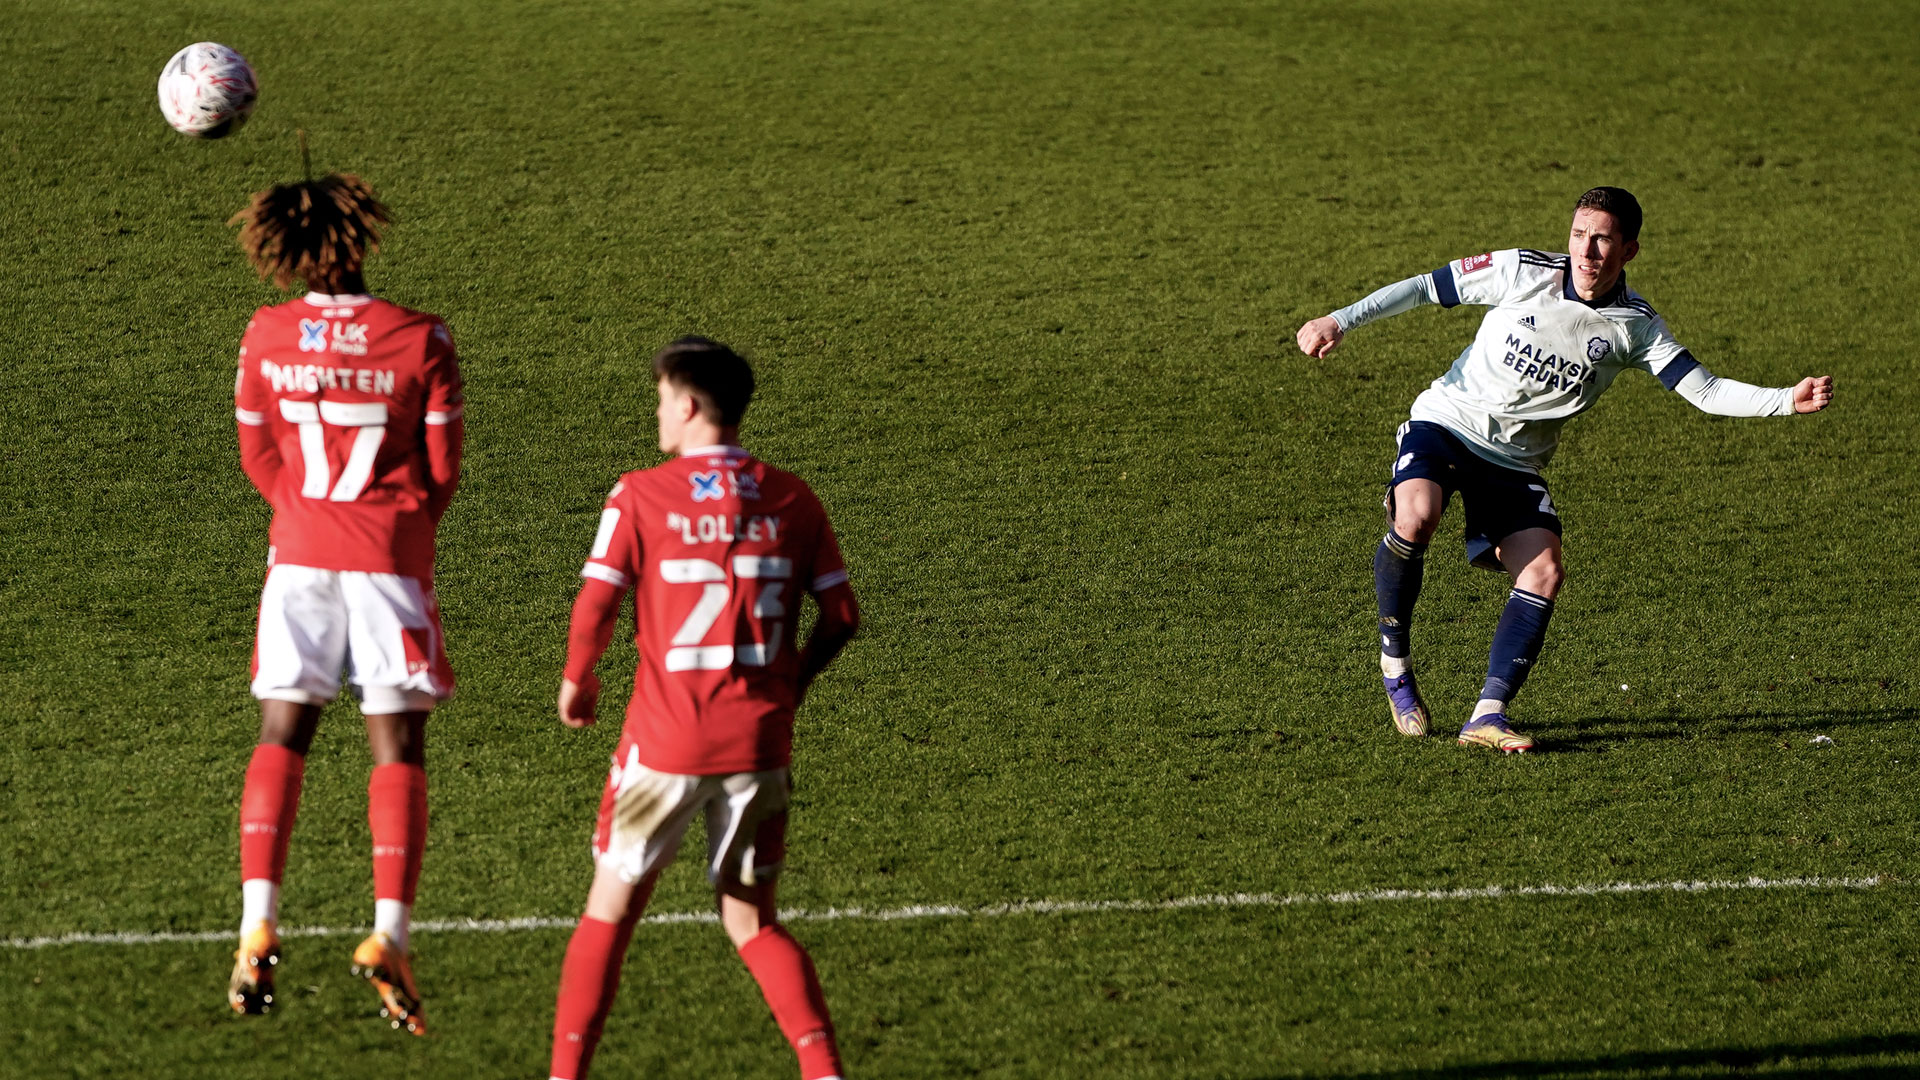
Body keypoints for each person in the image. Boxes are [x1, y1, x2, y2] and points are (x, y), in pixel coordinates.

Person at [1296, 187, 1833, 753]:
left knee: (1544, 572)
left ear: (1629, 250)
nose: (1587, 250)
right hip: (1447, 423)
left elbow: (1704, 391)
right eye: (1579, 234)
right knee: (1417, 517)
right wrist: (1340, 320)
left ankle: (1487, 716)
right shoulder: (1521, 271)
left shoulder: (1635, 326)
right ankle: (1396, 666)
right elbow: (1426, 288)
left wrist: (1784, 399)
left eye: (1602, 238)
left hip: (1514, 462)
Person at [548, 337, 860, 1080]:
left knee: (609, 914)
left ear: (687, 406)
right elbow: (842, 615)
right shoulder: (793, 496)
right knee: (751, 919)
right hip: (759, 744)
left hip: (663, 746)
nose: (657, 413)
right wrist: (793, 684)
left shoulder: (640, 493)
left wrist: (578, 682)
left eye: (660, 399)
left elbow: (597, 602)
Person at [225, 173, 464, 1034]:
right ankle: (389, 934)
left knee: (282, 731)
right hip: (388, 560)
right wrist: (397, 530)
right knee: (395, 744)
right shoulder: (419, 337)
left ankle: (258, 920)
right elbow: (440, 472)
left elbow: (260, 457)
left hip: (298, 559)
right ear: (359, 240)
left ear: (284, 249)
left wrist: (303, 517)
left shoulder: (265, 333)